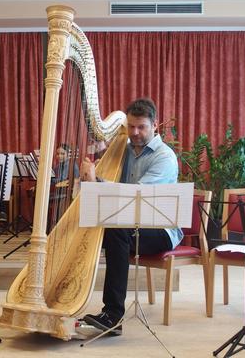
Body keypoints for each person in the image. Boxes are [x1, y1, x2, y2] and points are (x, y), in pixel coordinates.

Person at [80, 98, 180, 335]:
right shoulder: (122, 149)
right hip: (127, 222)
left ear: (155, 125)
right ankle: (67, 296)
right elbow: (118, 194)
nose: (134, 133)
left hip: (159, 229)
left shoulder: (164, 157)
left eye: (141, 127)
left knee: (116, 229)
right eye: (131, 126)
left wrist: (97, 182)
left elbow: (136, 197)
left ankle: (113, 315)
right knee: (85, 227)